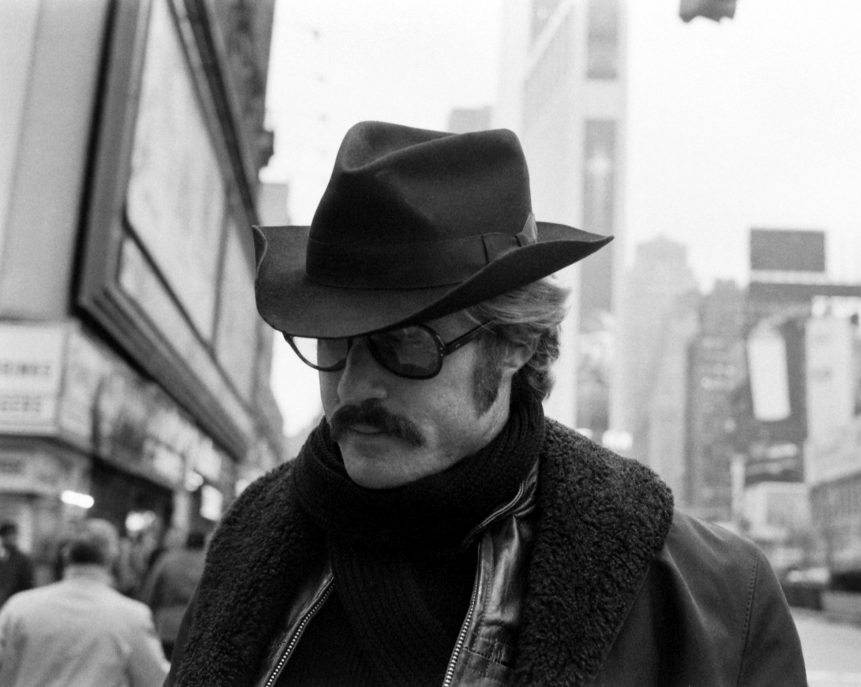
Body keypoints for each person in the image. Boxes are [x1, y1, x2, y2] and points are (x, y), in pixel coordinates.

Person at [167, 121, 807, 685]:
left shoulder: (713, 599)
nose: (354, 388)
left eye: (405, 345)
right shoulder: (245, 547)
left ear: (513, 345)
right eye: (332, 342)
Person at [0, 518, 168, 686]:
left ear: (66, 555)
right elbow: (154, 680)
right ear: (113, 556)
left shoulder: (19, 607)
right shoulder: (132, 616)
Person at [140, 529, 206, 658]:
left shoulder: (168, 559)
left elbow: (151, 589)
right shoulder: (209, 562)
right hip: (198, 628)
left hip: (167, 625)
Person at [0, 522, 33, 608]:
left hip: (16, 603)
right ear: (3, 537)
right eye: (9, 535)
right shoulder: (3, 557)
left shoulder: (23, 559)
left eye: (14, 534)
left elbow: (28, 584)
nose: (13, 538)